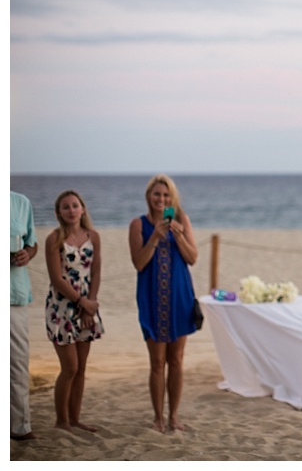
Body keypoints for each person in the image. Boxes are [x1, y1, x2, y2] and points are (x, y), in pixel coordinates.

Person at [128, 174, 198, 433]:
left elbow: (192, 258)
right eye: (157, 194)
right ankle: (158, 418)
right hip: (152, 297)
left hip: (179, 296)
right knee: (157, 363)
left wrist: (178, 236)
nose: (161, 199)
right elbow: (139, 263)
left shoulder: (182, 220)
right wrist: (156, 237)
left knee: (177, 360)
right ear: (148, 197)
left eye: (166, 195)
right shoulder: (138, 224)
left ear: (172, 198)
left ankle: (174, 416)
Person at [44, 190, 104, 432]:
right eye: (65, 207)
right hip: (61, 307)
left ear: (83, 209)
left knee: (81, 368)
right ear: (59, 213)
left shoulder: (94, 236)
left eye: (74, 205)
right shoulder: (54, 239)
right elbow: (57, 279)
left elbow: (96, 272)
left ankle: (75, 419)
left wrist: (91, 304)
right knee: (69, 367)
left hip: (86, 307)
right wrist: (82, 302)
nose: (71, 210)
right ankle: (61, 421)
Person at [10, 191, 38, 441]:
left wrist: (27, 254)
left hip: (14, 294)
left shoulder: (21, 202)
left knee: (18, 363)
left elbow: (32, 242)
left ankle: (20, 428)